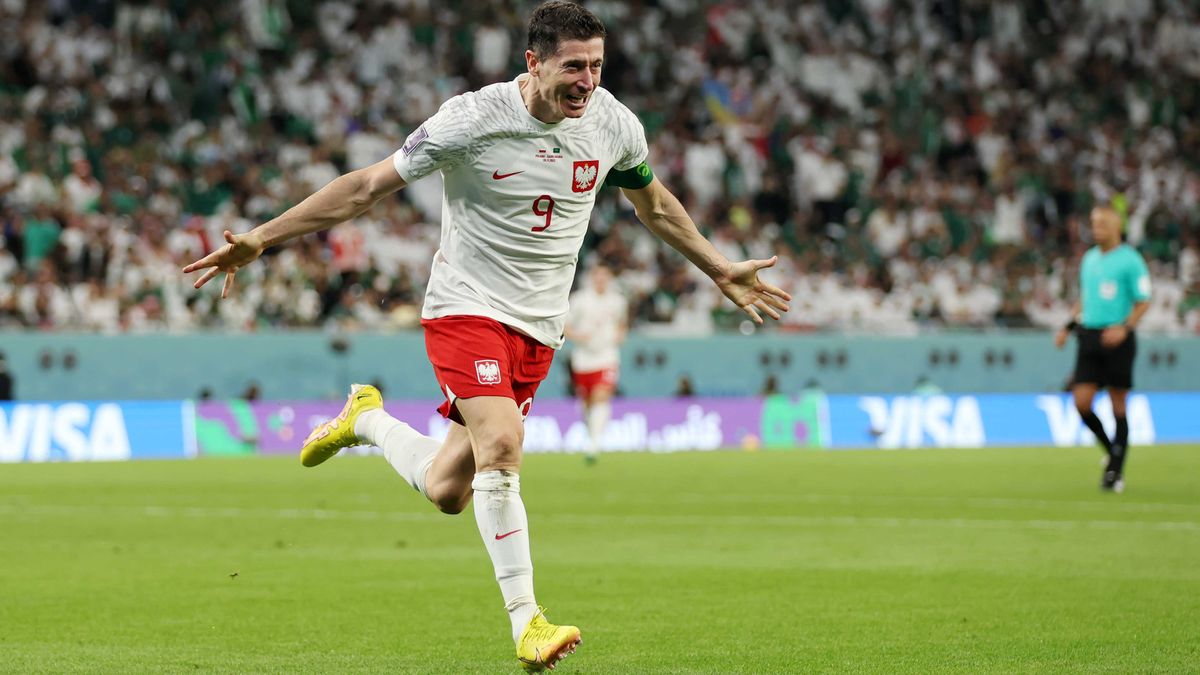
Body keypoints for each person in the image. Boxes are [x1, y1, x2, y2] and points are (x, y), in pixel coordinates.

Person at [182, 2, 791, 671]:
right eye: (572, 67)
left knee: (449, 489)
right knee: (502, 441)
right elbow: (364, 188)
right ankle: (528, 622)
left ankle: (367, 419)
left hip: (539, 328)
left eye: (596, 65)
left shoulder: (614, 125)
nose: (587, 80)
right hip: (465, 308)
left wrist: (717, 266)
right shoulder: (472, 119)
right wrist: (263, 239)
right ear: (533, 63)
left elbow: (653, 204)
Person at [1055, 205, 1151, 493]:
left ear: (1116, 226)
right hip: (1089, 336)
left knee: (1117, 403)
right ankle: (1112, 449)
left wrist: (1125, 327)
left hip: (1117, 337)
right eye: (1093, 223)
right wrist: (1068, 326)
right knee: (1081, 401)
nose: (1096, 228)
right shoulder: (1089, 259)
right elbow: (1086, 298)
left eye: (1102, 224)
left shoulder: (1131, 261)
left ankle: (1115, 472)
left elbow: (1143, 300)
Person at [564, 265, 626, 464]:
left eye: (604, 277)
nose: (601, 280)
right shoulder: (579, 300)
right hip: (583, 358)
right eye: (597, 277)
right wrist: (577, 336)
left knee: (602, 395)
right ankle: (591, 434)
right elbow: (565, 325)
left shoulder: (618, 301)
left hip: (607, 355)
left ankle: (594, 444)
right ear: (592, 278)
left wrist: (620, 335)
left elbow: (622, 323)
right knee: (587, 402)